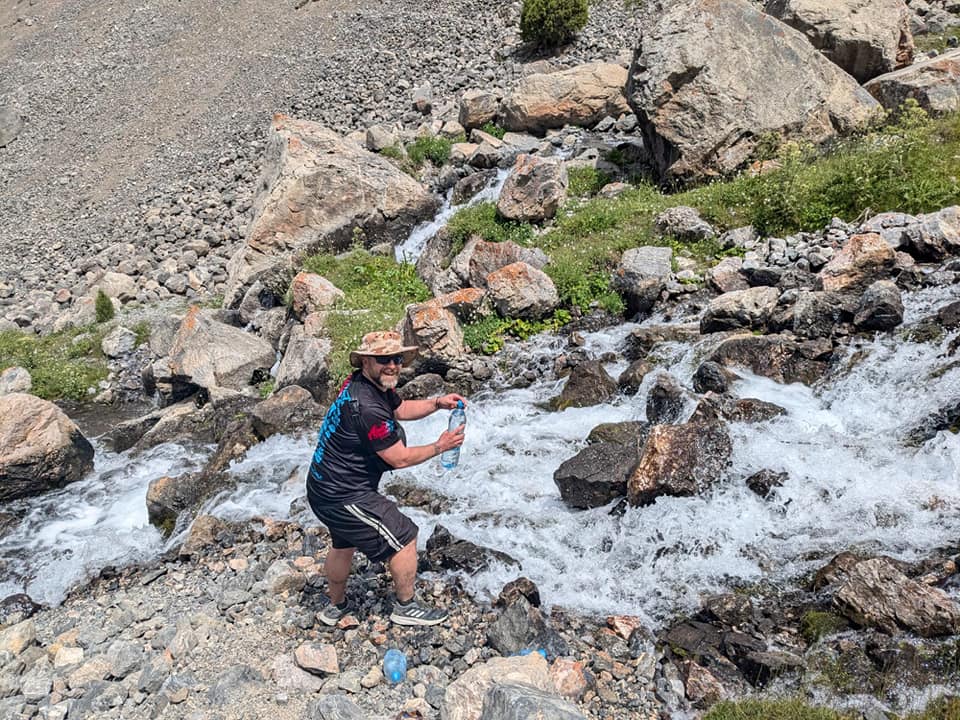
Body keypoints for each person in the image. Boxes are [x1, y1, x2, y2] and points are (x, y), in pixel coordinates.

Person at [306, 330, 467, 627]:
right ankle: (406, 607)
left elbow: (401, 409)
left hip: (321, 487)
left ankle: (335, 607)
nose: (392, 365)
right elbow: (399, 458)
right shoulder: (366, 406)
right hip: (344, 494)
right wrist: (440, 446)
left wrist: (437, 404)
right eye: (384, 359)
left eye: (397, 358)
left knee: (343, 543)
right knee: (404, 536)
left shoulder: (366, 384)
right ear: (366, 361)